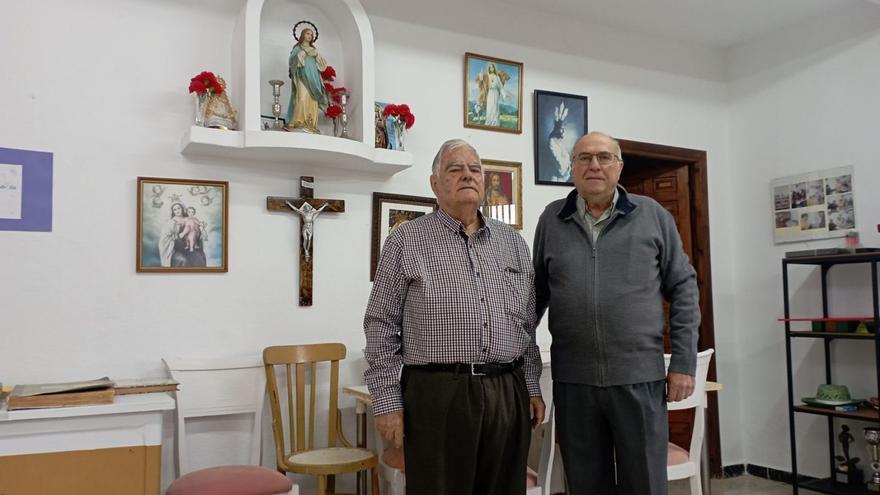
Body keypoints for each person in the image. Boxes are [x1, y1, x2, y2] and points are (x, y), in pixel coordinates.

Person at [364, 138, 545, 495]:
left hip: (507, 390)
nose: (467, 175)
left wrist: (532, 386)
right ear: (435, 184)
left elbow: (526, 326)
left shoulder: (513, 243)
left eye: (474, 169)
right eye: (455, 168)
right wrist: (387, 401)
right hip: (437, 394)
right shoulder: (406, 241)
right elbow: (380, 325)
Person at [533, 131, 700, 494]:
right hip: (574, 382)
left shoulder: (652, 215)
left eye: (604, 157)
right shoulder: (551, 220)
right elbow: (535, 295)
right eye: (584, 158)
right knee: (585, 483)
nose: (595, 165)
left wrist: (684, 363)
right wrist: (517, 353)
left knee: (644, 483)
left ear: (619, 167)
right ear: (571, 168)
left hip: (638, 378)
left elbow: (684, 287)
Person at [286, 25, 329, 133]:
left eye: (311, 34)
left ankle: (311, 124)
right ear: (302, 35)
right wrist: (305, 52)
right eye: (307, 33)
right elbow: (292, 62)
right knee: (302, 98)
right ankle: (298, 122)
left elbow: (322, 65)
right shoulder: (298, 48)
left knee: (312, 100)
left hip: (314, 77)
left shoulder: (314, 50)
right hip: (302, 77)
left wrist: (317, 55)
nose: (309, 36)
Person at [158, 203, 207, 267]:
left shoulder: (189, 218)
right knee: (184, 260)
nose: (177, 210)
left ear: (182, 209)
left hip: (189, 247)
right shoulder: (171, 222)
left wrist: (197, 230)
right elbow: (165, 238)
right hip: (177, 249)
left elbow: (196, 229)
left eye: (179, 208)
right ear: (173, 212)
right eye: (175, 209)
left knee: (199, 257)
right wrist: (175, 238)